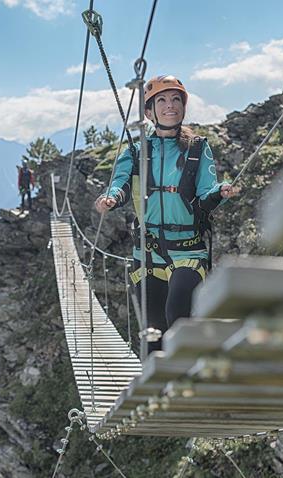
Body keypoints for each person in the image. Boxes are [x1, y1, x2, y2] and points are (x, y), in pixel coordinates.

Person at [94, 75, 240, 354]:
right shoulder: (136, 152)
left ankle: (187, 381)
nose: (169, 106)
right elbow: (121, 182)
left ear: (183, 107)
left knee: (179, 312)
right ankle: (154, 390)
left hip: (188, 251)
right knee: (153, 332)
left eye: (175, 99)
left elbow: (206, 192)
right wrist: (111, 198)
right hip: (147, 254)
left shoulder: (197, 149)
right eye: (161, 100)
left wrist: (221, 192)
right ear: (149, 112)